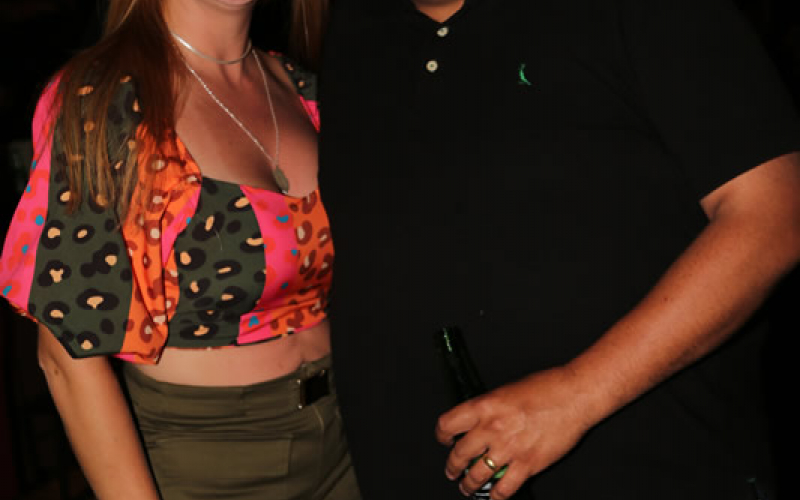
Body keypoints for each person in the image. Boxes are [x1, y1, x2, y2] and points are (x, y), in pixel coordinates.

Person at [318, 0, 800, 499]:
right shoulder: (350, 29)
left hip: (653, 466)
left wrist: (577, 392)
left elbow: (775, 213)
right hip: (412, 470)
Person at [0, 1, 361, 499]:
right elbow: (67, 356)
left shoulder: (304, 85)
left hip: (349, 440)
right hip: (207, 461)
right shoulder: (104, 99)